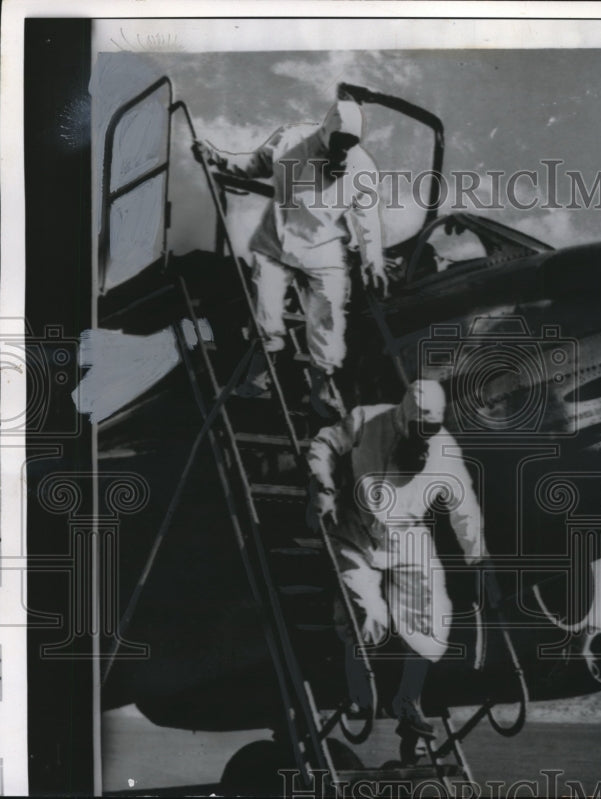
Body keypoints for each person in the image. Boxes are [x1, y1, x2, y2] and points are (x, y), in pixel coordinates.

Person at [306, 380, 499, 736]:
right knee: (366, 612)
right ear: (404, 416)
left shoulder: (444, 450)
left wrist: (479, 561)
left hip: (408, 534)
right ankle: (359, 687)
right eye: (418, 428)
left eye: (431, 428)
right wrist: (324, 485)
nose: (424, 436)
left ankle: (408, 700)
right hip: (356, 529)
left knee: (432, 609)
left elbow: (464, 509)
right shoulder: (367, 420)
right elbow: (324, 443)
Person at [192, 86, 388, 415]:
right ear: (326, 132)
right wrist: (215, 156)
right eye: (338, 143)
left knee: (328, 315)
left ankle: (323, 386)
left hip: (324, 245)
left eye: (349, 145)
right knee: (266, 310)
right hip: (278, 240)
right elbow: (252, 165)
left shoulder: (363, 169)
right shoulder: (289, 141)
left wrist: (375, 264)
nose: (342, 152)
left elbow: (368, 220)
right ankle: (258, 374)